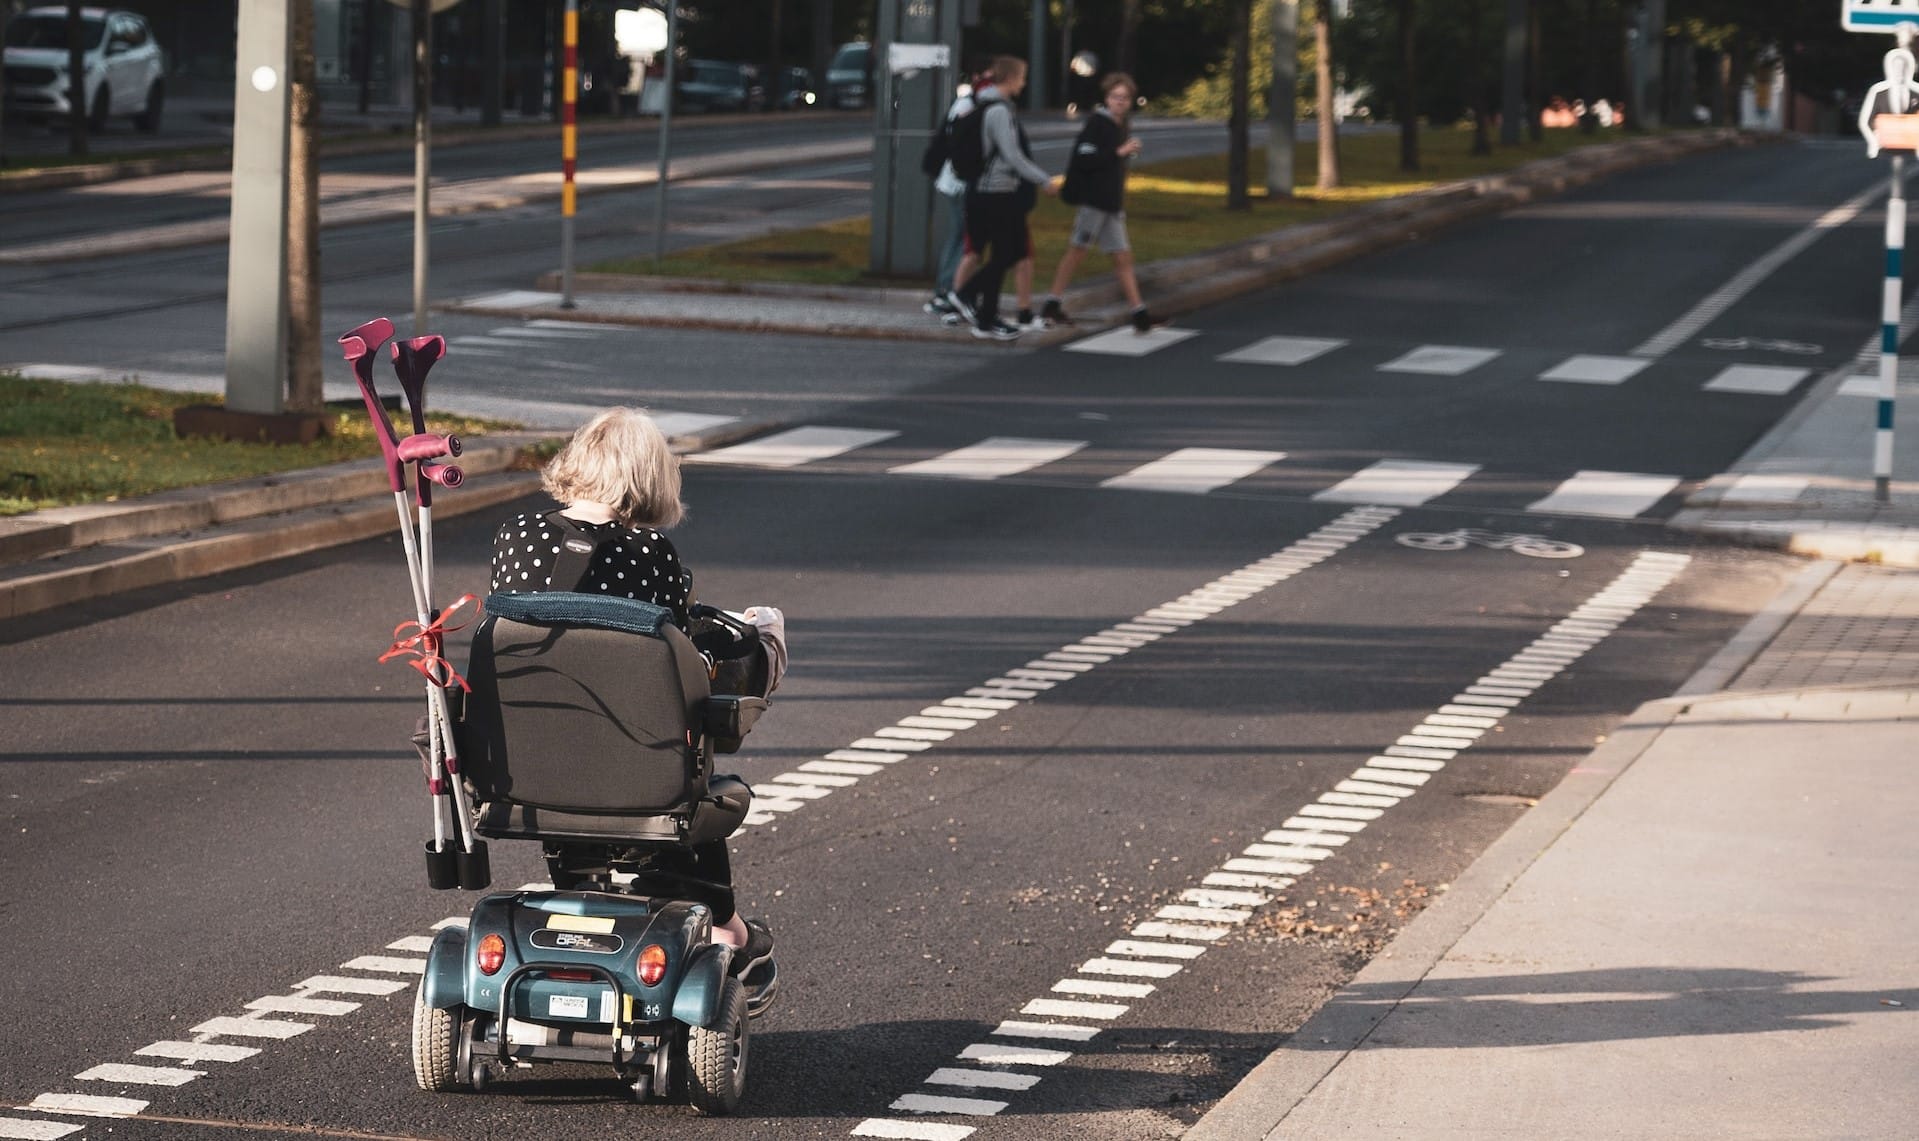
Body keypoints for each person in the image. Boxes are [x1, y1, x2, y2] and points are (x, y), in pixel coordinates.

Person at [488, 407, 786, 955]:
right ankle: (728, 931)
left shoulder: (516, 536)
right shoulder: (650, 554)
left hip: (531, 760)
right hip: (638, 761)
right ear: (650, 478)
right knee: (700, 762)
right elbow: (679, 653)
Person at [946, 55, 1059, 341]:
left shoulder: (992, 105)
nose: (1024, 82)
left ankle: (986, 320)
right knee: (1007, 253)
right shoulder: (998, 111)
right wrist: (1043, 180)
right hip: (993, 193)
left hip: (990, 193)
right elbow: (1011, 155)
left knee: (1004, 254)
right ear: (1010, 78)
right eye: (1022, 77)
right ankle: (966, 295)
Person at [1040, 72, 1154, 333]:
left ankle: (1140, 313)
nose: (1120, 102)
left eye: (1125, 98)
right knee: (1078, 249)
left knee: (1123, 257)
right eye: (1116, 97)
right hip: (1094, 201)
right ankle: (1051, 303)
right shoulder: (1098, 125)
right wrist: (1118, 152)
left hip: (1110, 203)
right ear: (1107, 98)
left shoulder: (1119, 126)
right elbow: (1085, 159)